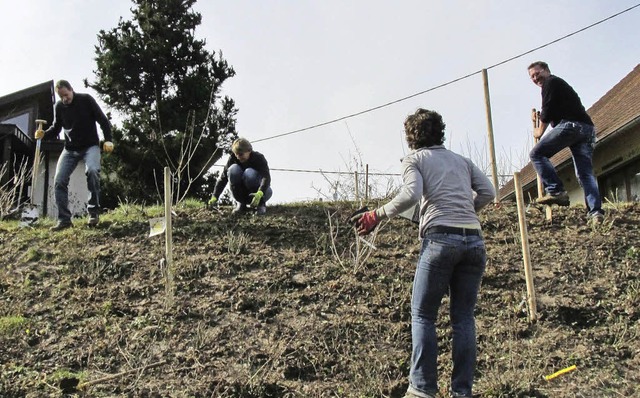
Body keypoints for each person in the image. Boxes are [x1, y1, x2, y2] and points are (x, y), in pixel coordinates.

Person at [352, 109, 495, 398]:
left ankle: (422, 390)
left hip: (441, 240)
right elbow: (489, 192)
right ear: (440, 132)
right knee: (464, 319)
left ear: (410, 137)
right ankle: (462, 392)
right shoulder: (462, 161)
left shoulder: (414, 159)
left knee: (423, 315)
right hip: (474, 243)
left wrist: (376, 215)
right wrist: (465, 213)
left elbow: (411, 194)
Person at [527, 61, 604, 223]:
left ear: (547, 71)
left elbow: (547, 110)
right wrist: (540, 118)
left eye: (537, 73)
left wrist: (539, 130)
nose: (535, 78)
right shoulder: (557, 86)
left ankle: (556, 191)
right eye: (532, 76)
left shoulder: (551, 82)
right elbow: (551, 111)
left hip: (573, 126)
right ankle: (596, 213)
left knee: (537, 154)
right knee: (585, 174)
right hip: (587, 129)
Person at [35, 79, 114, 231]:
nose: (65, 99)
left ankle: (93, 213)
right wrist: (44, 134)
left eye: (66, 95)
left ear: (71, 90)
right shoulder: (59, 106)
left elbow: (103, 120)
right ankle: (64, 220)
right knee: (59, 180)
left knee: (92, 171)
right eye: (61, 97)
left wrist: (108, 140)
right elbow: (56, 128)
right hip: (70, 149)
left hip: (90, 146)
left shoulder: (86, 100)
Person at [208, 138, 272, 215]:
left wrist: (260, 193)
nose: (238, 157)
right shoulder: (233, 159)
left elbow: (266, 177)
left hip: (261, 192)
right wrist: (215, 196)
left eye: (241, 154)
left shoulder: (259, 158)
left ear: (249, 151)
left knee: (249, 173)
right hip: (242, 194)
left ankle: (260, 205)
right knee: (233, 169)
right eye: (236, 154)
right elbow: (223, 178)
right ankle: (241, 204)